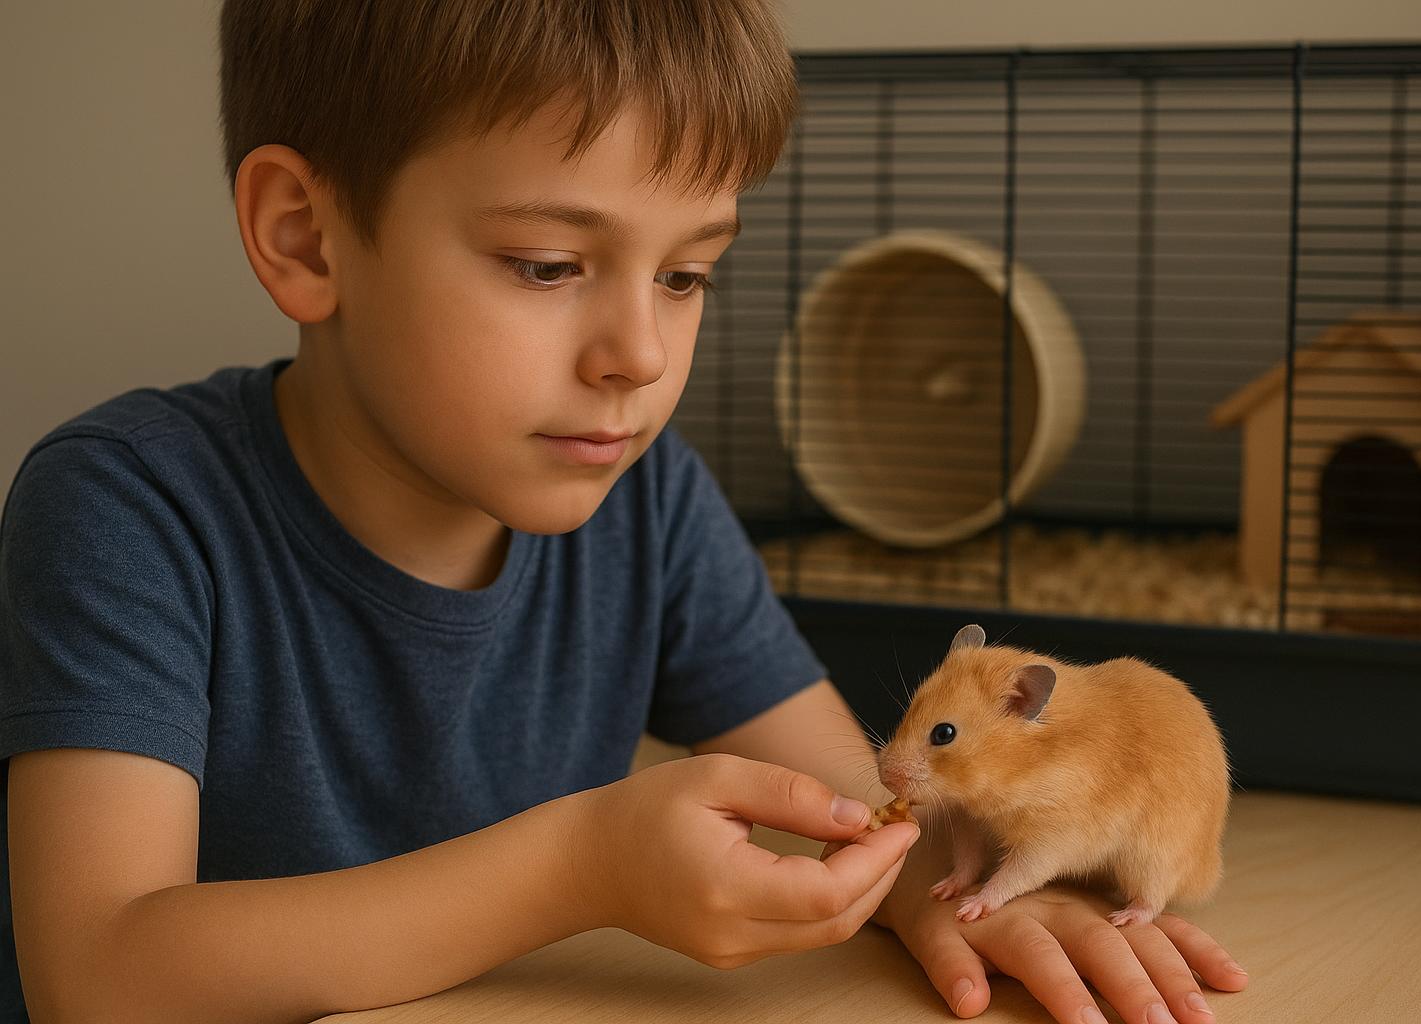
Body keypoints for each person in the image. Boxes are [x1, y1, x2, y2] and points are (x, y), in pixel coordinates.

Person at [0, 2, 1247, 1022]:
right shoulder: (127, 505)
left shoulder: (645, 499)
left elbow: (872, 802)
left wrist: (955, 893)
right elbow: (98, 974)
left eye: (689, 273)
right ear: (305, 237)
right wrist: (580, 867)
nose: (640, 354)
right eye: (548, 265)